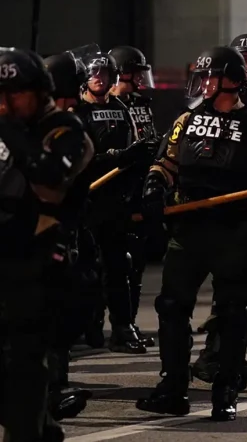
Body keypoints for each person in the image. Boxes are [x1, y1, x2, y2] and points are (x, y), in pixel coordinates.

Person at [135, 46, 247, 421]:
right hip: (189, 229)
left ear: (233, 81)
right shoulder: (187, 119)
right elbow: (167, 161)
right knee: (172, 307)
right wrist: (154, 186)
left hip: (235, 230)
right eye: (203, 76)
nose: (204, 83)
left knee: (231, 312)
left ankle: (226, 389)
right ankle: (172, 388)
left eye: (212, 77)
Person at [0, 47, 94, 442]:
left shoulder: (67, 131)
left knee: (23, 374)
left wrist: (17, 139)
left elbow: (52, 185)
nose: (4, 104)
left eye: (13, 94)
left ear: (40, 91)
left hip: (39, 265)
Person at [71, 51, 156, 353]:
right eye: (95, 74)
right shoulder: (77, 112)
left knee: (120, 266)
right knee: (85, 269)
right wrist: (110, 159)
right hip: (85, 200)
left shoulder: (121, 108)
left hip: (114, 201)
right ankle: (86, 329)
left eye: (105, 74)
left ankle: (122, 327)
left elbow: (131, 153)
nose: (99, 78)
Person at [109, 44, 158, 346]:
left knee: (135, 261)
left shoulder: (141, 102)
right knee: (112, 265)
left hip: (139, 186)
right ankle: (106, 326)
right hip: (114, 190)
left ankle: (128, 322)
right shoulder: (107, 105)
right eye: (136, 72)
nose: (141, 78)